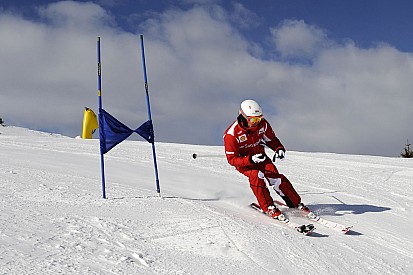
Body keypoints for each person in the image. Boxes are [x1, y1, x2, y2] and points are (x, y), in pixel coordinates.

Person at [223, 99, 309, 220]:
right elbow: (232, 160)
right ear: (243, 116)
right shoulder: (231, 135)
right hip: (245, 163)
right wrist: (250, 160)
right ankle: (268, 207)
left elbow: (271, 139)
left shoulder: (263, 124)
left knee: (276, 178)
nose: (256, 123)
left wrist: (278, 148)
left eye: (258, 119)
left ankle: (295, 203)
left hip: (261, 158)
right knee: (256, 176)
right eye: (252, 119)